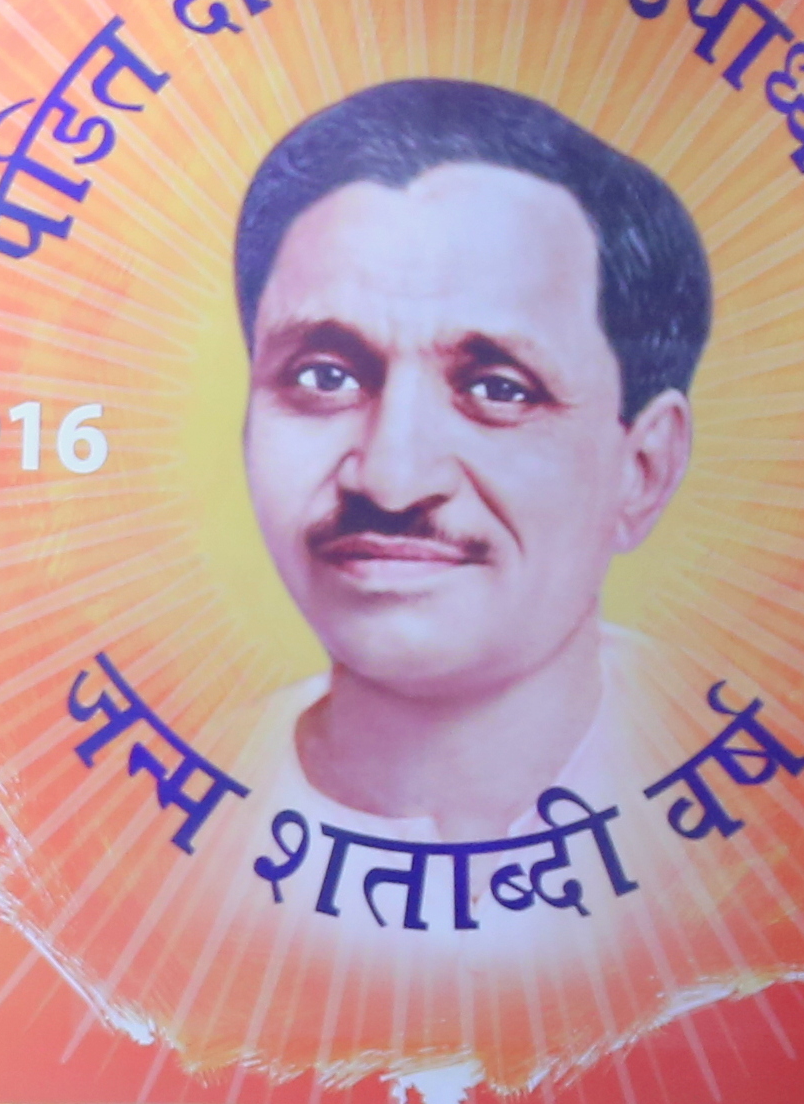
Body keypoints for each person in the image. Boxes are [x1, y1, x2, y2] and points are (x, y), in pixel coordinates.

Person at [227, 80, 708, 839]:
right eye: (324, 376)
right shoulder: (134, 838)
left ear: (642, 470)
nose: (390, 479)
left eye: (498, 389)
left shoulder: (767, 813)